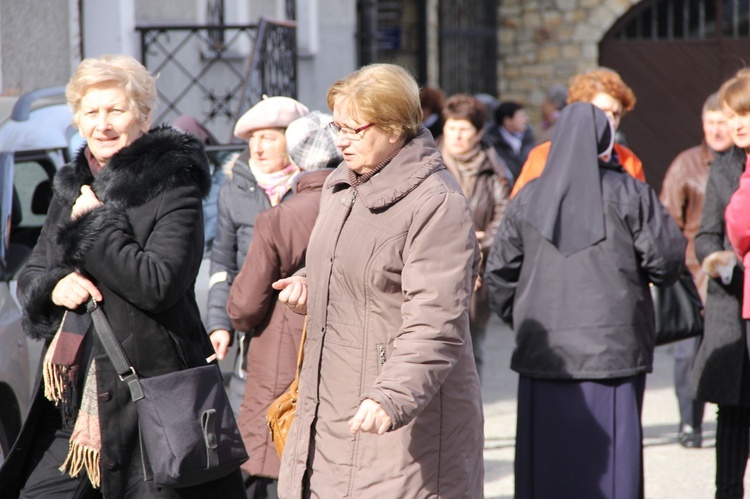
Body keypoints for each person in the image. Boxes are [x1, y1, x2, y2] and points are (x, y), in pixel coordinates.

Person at [0, 54, 245, 498]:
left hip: (149, 396)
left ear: (144, 116)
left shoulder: (173, 183)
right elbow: (33, 271)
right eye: (91, 112)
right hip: (74, 398)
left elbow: (159, 284)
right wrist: (54, 286)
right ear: (78, 118)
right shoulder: (72, 184)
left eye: (116, 110)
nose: (103, 124)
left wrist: (95, 226)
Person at [273, 64, 484, 497]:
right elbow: (345, 264)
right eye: (337, 126)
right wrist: (308, 283)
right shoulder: (342, 183)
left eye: (353, 128)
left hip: (402, 421)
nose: (340, 139)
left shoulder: (436, 202)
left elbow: (436, 322)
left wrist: (391, 396)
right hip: (331, 401)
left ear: (394, 128)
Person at [484, 102, 685, 498]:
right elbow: (666, 262)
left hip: (546, 353)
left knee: (547, 469)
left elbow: (499, 273)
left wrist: (526, 319)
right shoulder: (631, 192)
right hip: (614, 352)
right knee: (611, 468)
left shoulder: (527, 199)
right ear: (605, 141)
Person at [225, 111, 340, 498]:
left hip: (281, 352)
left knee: (269, 458)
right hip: (342, 346)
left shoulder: (279, 217)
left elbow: (244, 307)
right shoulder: (357, 204)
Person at [207, 95, 308, 415]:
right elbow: (222, 262)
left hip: (300, 321)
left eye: (268, 138)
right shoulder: (234, 188)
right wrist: (219, 324)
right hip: (253, 325)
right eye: (253, 139)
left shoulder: (312, 186)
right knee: (252, 415)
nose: (258, 148)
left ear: (292, 140)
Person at [660, 92, 732, 449]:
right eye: (711, 122)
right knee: (688, 353)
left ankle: (731, 422)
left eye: (723, 122)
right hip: (692, 276)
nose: (717, 129)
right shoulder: (685, 164)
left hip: (734, 279)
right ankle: (689, 423)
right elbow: (667, 221)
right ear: (703, 124)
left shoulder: (741, 163)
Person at [691, 71, 750, 499]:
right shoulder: (726, 167)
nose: (736, 125)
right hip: (733, 306)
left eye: (744, 114)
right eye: (731, 116)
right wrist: (716, 260)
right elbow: (706, 235)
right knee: (732, 412)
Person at [437, 93, 511, 378]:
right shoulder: (428, 163)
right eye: (451, 127)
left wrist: (481, 241)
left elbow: (505, 212)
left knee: (473, 349)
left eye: (464, 129)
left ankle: (471, 412)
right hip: (436, 265)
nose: (456, 135)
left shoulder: (493, 169)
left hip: (478, 270)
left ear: (479, 133)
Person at [511, 67, 645, 197]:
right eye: (601, 111)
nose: (609, 120)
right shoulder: (545, 156)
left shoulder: (628, 161)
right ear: (580, 110)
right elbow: (520, 209)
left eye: (615, 114)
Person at [486, 101, 535, 179]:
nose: (526, 119)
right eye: (521, 116)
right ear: (508, 121)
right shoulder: (492, 144)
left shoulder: (529, 139)